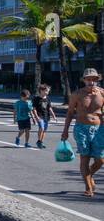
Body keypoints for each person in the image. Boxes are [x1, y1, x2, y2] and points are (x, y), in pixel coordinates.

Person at [61, 68, 104, 196]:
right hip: (81, 128)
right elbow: (69, 113)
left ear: (97, 80)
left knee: (100, 160)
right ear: (84, 80)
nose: (91, 82)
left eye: (94, 79)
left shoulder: (102, 93)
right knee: (84, 158)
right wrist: (65, 131)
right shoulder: (77, 94)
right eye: (88, 79)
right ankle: (88, 188)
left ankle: (89, 175)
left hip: (99, 129)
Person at [32, 83, 56, 149]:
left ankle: (41, 142)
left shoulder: (48, 99)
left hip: (46, 116)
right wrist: (36, 116)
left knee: (44, 130)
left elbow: (50, 108)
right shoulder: (36, 99)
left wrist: (53, 115)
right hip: (40, 116)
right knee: (41, 128)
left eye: (48, 91)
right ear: (41, 90)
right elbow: (34, 109)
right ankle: (39, 141)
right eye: (46, 91)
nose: (47, 92)